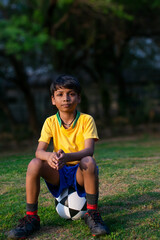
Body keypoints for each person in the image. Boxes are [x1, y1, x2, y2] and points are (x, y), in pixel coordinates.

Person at [7, 74, 110, 239]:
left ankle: (92, 214)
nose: (66, 98)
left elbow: (89, 150)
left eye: (71, 93)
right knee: (34, 163)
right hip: (58, 171)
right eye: (60, 94)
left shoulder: (86, 120)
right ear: (53, 100)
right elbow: (39, 151)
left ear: (79, 98)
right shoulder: (49, 122)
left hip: (80, 172)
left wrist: (66, 157)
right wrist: (49, 156)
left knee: (89, 162)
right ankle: (31, 217)